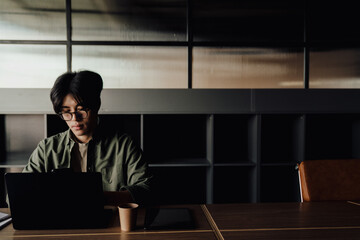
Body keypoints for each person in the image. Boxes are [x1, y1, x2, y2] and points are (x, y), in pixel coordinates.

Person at [23, 70, 152, 205]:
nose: (75, 119)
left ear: (96, 106)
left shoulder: (124, 145)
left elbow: (147, 189)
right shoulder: (46, 149)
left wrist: (96, 198)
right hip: (59, 223)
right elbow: (17, 194)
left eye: (81, 110)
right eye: (67, 112)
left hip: (112, 222)